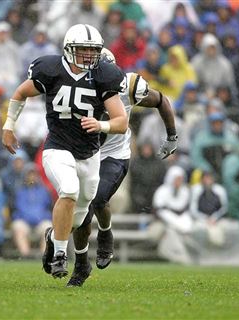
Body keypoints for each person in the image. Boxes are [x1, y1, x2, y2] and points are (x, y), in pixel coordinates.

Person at [1, 24, 129, 281]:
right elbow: (20, 93)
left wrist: (101, 124)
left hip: (90, 154)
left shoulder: (104, 74)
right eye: (83, 50)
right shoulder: (50, 69)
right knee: (68, 190)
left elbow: (121, 121)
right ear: (69, 50)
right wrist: (8, 125)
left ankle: (52, 237)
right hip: (57, 147)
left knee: (80, 216)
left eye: (93, 51)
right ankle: (60, 254)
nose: (89, 56)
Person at [69, 48, 178, 286]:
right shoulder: (75, 86)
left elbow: (161, 100)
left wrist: (171, 136)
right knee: (79, 214)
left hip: (114, 154)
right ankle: (80, 263)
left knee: (97, 200)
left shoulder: (127, 85)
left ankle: (106, 234)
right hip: (85, 155)